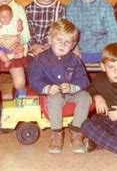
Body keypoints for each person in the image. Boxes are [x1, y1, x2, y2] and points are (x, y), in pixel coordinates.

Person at [29, 19, 91, 154]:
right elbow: (34, 79)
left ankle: (76, 130)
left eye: (67, 42)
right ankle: (57, 133)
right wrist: (47, 88)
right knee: (54, 98)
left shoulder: (75, 60)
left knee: (85, 97)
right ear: (50, 40)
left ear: (73, 45)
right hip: (52, 94)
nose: (62, 44)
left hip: (70, 93)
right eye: (59, 40)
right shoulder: (40, 59)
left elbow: (84, 80)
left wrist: (73, 87)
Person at [66, 0, 117, 64]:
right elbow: (68, 32)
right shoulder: (71, 6)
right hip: (79, 51)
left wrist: (108, 52)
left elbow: (113, 33)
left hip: (101, 52)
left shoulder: (105, 6)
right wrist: (74, 49)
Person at [25, 0, 66, 67]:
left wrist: (45, 47)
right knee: (33, 69)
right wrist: (34, 45)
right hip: (33, 50)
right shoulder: (29, 9)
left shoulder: (60, 8)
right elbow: (27, 30)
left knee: (56, 67)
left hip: (52, 49)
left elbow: (60, 31)